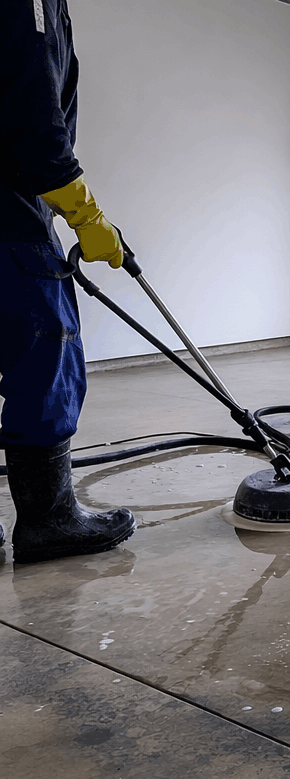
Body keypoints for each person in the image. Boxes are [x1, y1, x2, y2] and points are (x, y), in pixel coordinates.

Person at [0, 0, 135, 563]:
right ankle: (49, 520)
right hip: (10, 220)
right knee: (46, 357)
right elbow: (33, 116)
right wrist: (85, 215)